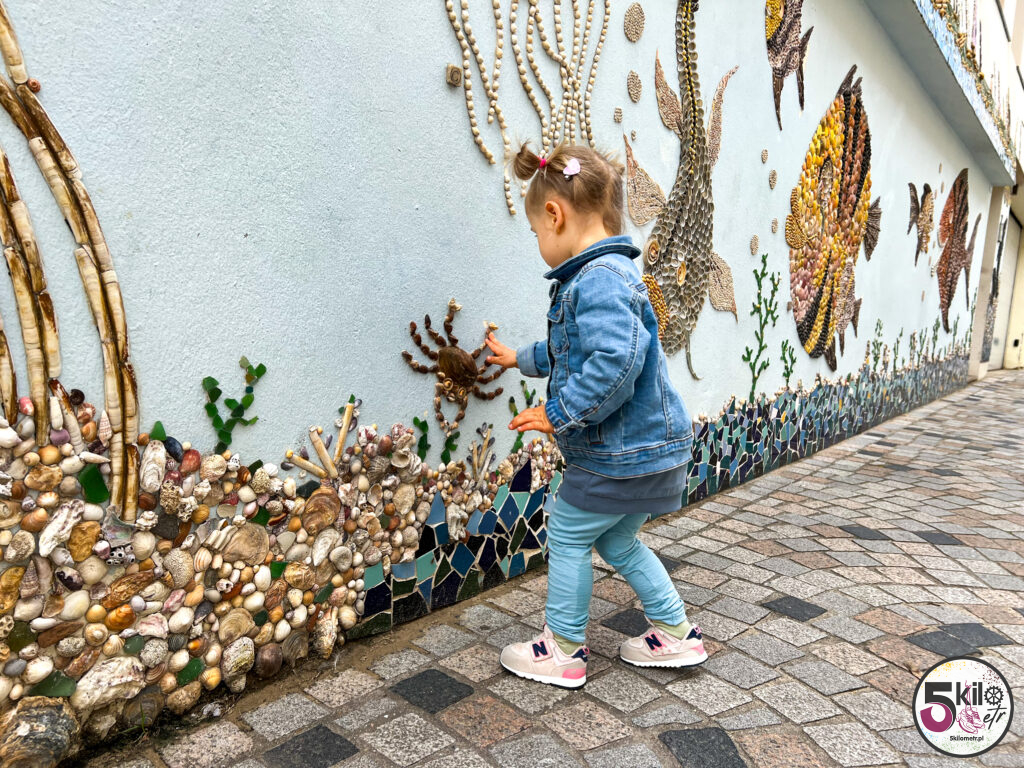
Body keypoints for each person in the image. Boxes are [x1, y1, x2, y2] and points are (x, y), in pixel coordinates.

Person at [484, 141, 706, 689]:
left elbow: (614, 364)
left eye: (535, 232)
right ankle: (676, 633)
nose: (539, 241)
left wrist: (556, 412)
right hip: (649, 451)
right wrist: (520, 359)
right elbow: (575, 349)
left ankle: (562, 650)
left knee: (566, 534)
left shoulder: (599, 278)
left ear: (555, 215)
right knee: (617, 542)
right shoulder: (604, 273)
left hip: (618, 456)